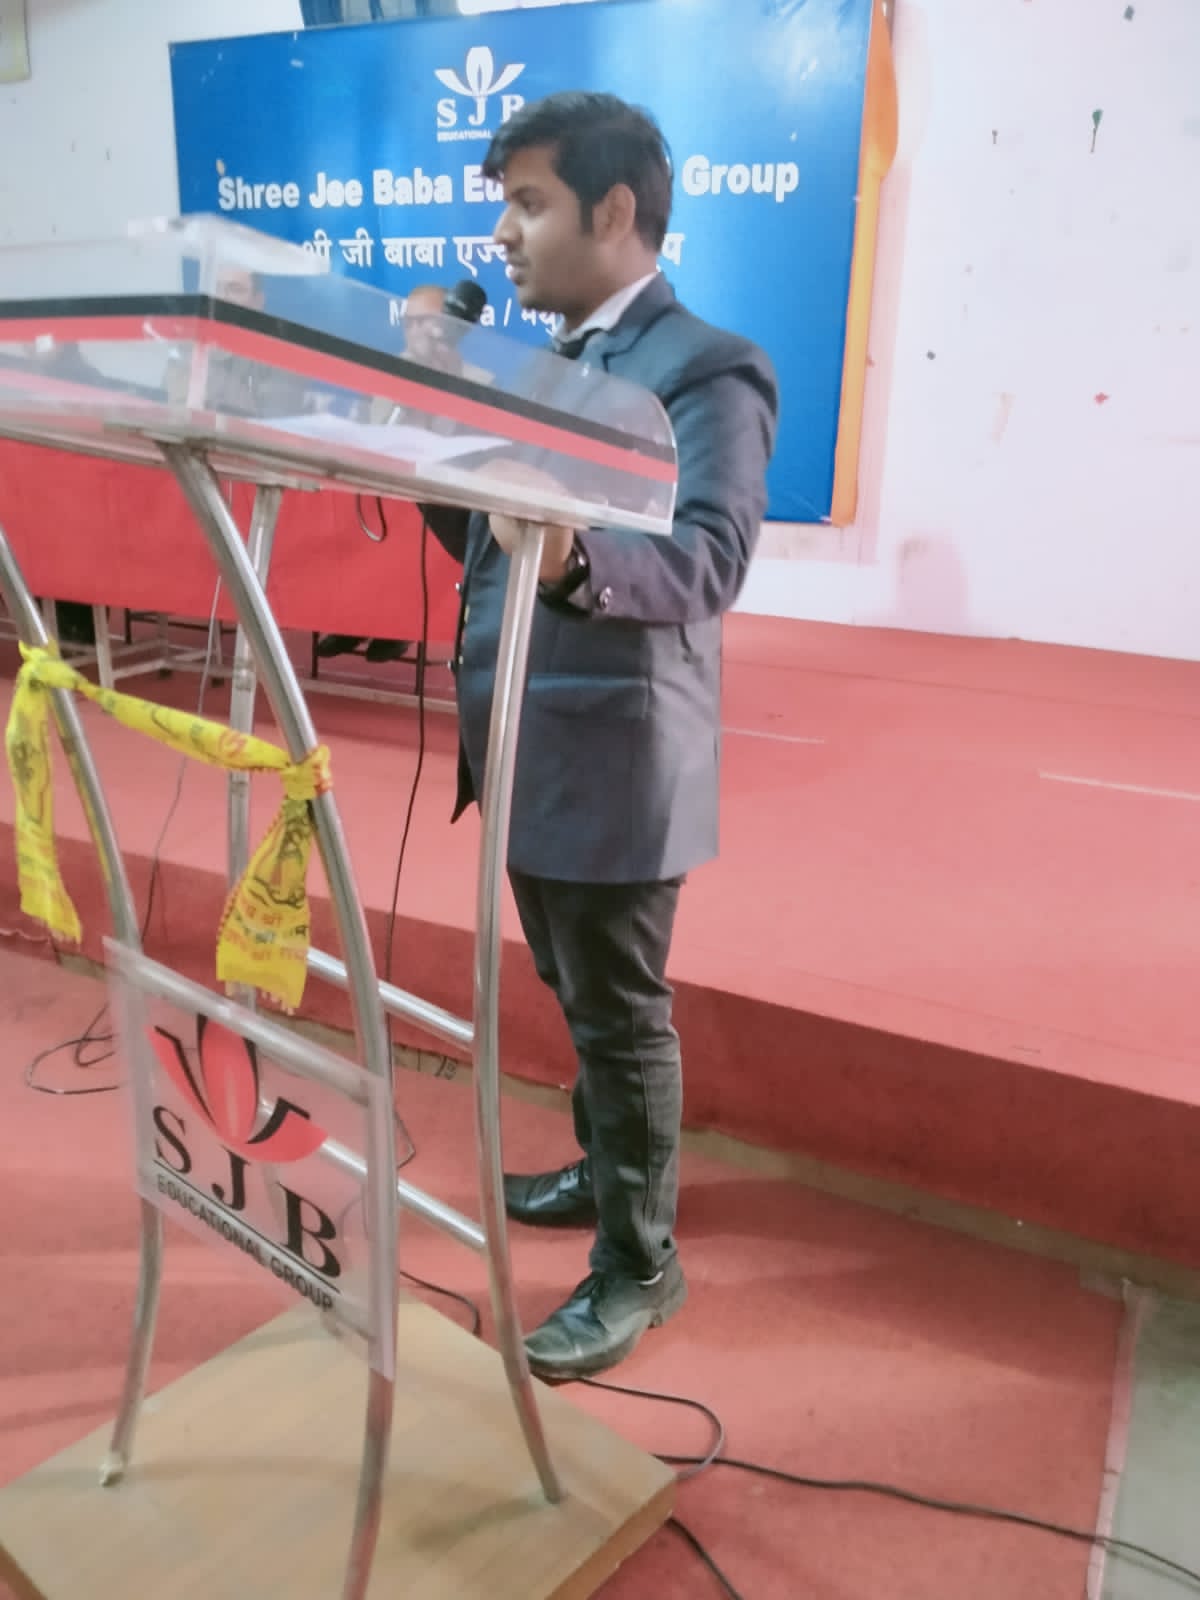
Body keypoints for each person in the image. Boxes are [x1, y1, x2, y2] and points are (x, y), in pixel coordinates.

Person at [423, 91, 778, 1381]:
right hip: (527, 740)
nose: (503, 236)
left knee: (620, 1015)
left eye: (529, 203)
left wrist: (576, 560)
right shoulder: (554, 362)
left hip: (618, 758)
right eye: (503, 207)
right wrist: (434, 411)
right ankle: (606, 1164)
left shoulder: (706, 366)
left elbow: (709, 561)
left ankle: (641, 1262)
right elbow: (488, 546)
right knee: (577, 994)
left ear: (614, 208)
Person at [315, 283, 454, 665]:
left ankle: (398, 626)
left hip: (436, 492)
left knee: (414, 525)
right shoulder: (388, 369)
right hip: (384, 481)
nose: (416, 331)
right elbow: (375, 427)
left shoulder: (475, 377)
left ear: (448, 326)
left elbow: (458, 442)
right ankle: (355, 619)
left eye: (426, 322)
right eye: (410, 323)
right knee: (345, 511)